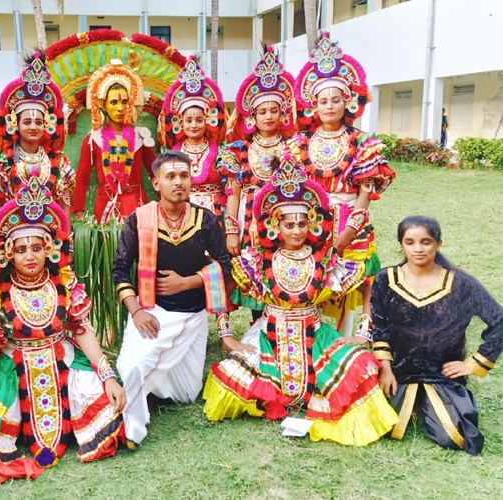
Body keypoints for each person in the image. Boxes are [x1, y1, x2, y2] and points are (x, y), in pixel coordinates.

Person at [202, 156, 398, 446]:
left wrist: (362, 334)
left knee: (361, 365)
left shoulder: (326, 259)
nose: (296, 231)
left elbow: (369, 282)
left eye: (302, 224)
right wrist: (226, 335)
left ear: (313, 224)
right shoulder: (259, 259)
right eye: (289, 225)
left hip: (315, 336)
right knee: (229, 378)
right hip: (268, 338)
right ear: (275, 226)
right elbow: (219, 276)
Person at [0, 178, 126, 483]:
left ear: (50, 250)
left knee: (111, 404)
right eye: (21, 249)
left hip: (64, 358)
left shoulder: (65, 285)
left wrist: (107, 375)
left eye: (37, 248)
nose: (29, 256)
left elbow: (81, 331)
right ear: (7, 254)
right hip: (11, 366)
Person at [113, 149, 232, 447]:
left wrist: (187, 283)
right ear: (156, 183)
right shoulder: (139, 221)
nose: (178, 182)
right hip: (153, 312)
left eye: (184, 175)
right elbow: (119, 270)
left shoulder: (205, 220)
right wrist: (137, 311)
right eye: (170, 177)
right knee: (132, 367)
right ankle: (132, 422)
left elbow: (226, 265)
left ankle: (149, 388)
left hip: (192, 317)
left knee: (186, 394)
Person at [294, 32, 396, 337]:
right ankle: (316, 336)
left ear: (347, 101)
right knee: (314, 277)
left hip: (351, 221)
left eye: (335, 99)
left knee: (358, 277)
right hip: (312, 222)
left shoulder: (363, 143)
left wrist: (348, 231)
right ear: (313, 105)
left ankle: (355, 335)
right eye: (323, 100)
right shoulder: (301, 144)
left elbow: (365, 195)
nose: (329, 106)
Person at [372, 215, 502, 454]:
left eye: (426, 242)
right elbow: (378, 327)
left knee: (457, 437)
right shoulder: (385, 279)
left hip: (441, 374)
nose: (418, 249)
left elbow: (499, 320)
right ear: (401, 244)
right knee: (374, 426)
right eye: (410, 242)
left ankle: (435, 401)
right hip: (397, 371)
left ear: (438, 244)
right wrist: (385, 369)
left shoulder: (461, 283)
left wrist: (472, 364)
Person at [218, 46, 299, 319]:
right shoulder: (240, 150)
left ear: (282, 113)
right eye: (262, 111)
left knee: (280, 272)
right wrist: (231, 229)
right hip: (250, 219)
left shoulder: (294, 148)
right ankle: (257, 330)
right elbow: (233, 191)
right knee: (255, 275)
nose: (268, 116)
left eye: (273, 110)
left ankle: (279, 326)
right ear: (252, 115)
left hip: (283, 218)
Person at [0, 51, 75, 218]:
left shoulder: (59, 162)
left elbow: (65, 207)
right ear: (15, 124)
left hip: (50, 236)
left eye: (39, 122)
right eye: (27, 122)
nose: (33, 127)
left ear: (47, 124)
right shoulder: (0, 162)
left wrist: (66, 242)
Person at [73, 59, 156, 223]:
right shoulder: (93, 140)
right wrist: (79, 212)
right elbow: (81, 180)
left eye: (124, 102)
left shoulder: (141, 137)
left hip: (136, 206)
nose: (120, 108)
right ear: (103, 105)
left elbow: (156, 175)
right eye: (113, 102)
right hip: (105, 208)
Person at [158, 55, 227, 218]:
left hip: (215, 213)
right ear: (179, 123)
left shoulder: (221, 152)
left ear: (208, 120)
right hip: (181, 214)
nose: (194, 125)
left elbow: (229, 189)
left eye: (199, 120)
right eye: (188, 121)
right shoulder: (170, 155)